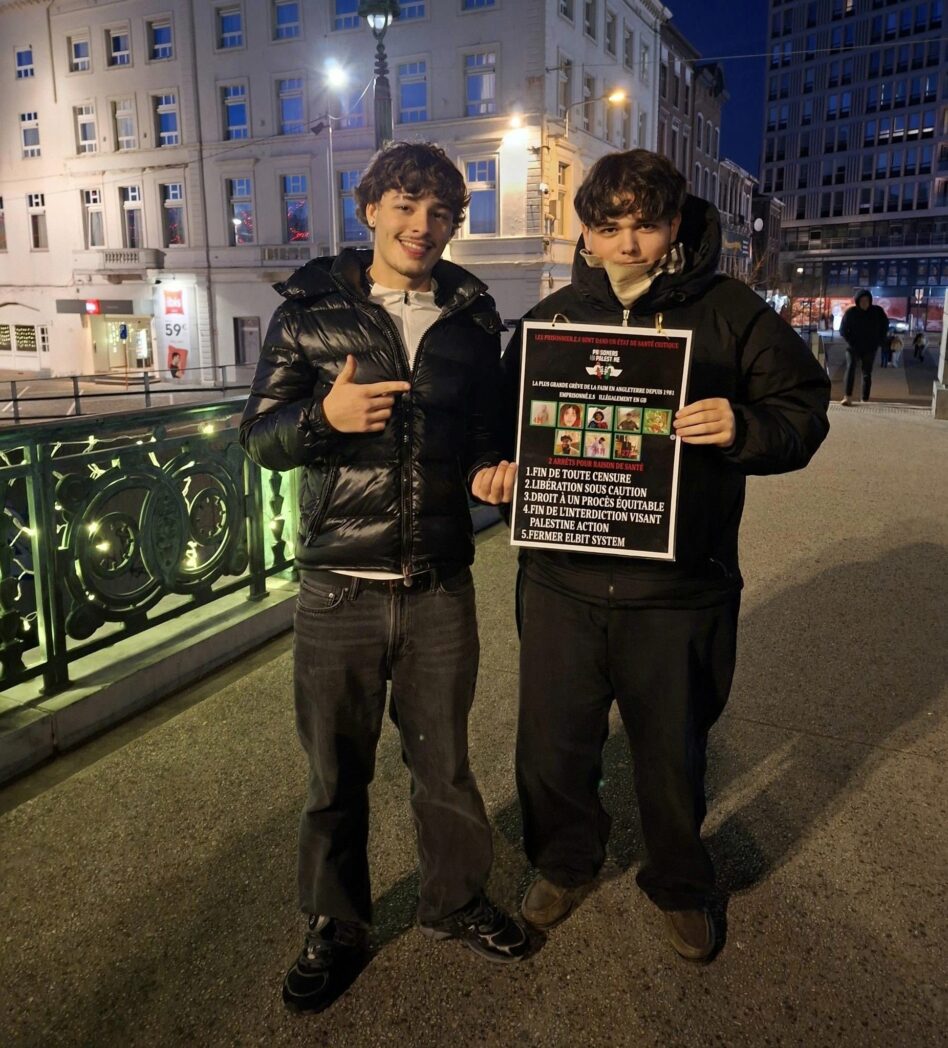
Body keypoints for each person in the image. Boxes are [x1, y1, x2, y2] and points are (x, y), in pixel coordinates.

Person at [489, 149, 829, 963]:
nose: (628, 244)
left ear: (675, 224)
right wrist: (494, 475)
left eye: (645, 225)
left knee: (673, 755)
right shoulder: (549, 322)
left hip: (678, 588)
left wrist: (743, 426)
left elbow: (802, 409)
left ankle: (679, 880)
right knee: (551, 749)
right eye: (610, 227)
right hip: (563, 582)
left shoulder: (732, 312)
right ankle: (564, 863)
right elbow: (501, 431)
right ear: (586, 232)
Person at [240, 141, 528, 1014]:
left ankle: (455, 900)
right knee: (335, 774)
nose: (422, 226)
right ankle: (337, 923)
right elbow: (259, 438)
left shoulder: (470, 320)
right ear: (370, 210)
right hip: (339, 585)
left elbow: (484, 435)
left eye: (439, 213)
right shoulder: (308, 311)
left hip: (439, 580)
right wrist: (322, 419)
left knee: (446, 765)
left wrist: (491, 471)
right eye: (405, 206)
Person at [839, 290, 888, 404]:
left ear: (870, 301)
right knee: (851, 367)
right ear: (857, 302)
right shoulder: (851, 313)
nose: (864, 303)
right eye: (862, 301)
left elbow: (885, 326)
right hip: (853, 347)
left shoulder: (877, 312)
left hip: (870, 348)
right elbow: (843, 329)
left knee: (867, 373)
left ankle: (865, 399)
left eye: (867, 300)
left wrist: (879, 341)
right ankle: (847, 396)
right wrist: (851, 341)